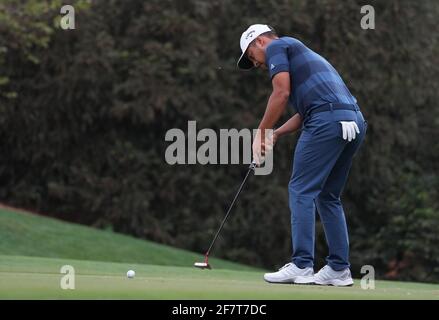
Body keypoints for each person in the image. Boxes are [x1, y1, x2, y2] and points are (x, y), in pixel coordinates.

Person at [237, 24, 367, 286]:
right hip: (353, 121)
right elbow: (308, 110)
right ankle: (338, 269)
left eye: (252, 58)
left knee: (301, 190)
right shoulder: (302, 56)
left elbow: (281, 93)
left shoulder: (276, 46)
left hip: (327, 121)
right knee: (328, 196)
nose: (258, 66)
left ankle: (301, 264)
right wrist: (277, 134)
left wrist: (261, 131)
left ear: (259, 42)